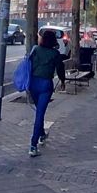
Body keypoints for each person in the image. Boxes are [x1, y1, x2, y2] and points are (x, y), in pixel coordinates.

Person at [28, 28, 65, 157]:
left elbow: (29, 64)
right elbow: (60, 68)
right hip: (46, 85)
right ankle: (33, 145)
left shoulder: (35, 50)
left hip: (33, 83)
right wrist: (63, 81)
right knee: (40, 114)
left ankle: (42, 134)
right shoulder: (55, 54)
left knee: (39, 111)